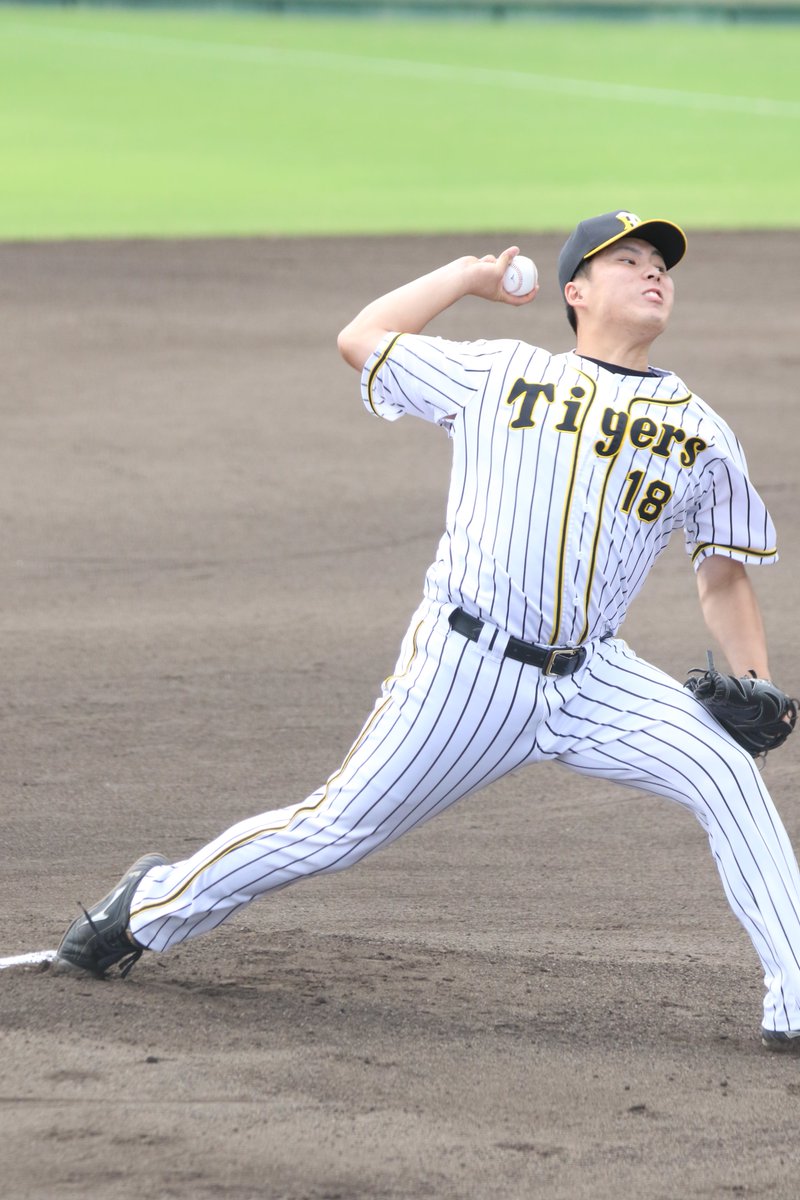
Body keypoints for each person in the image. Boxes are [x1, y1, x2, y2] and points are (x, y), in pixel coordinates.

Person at [56, 210, 800, 1052]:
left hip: (598, 677)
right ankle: (148, 906)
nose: (653, 271)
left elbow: (722, 572)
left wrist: (757, 680)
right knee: (335, 830)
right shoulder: (501, 373)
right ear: (576, 292)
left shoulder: (701, 430)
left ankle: (797, 1001)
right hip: (468, 667)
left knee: (728, 775)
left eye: (660, 262)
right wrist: (467, 278)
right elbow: (361, 339)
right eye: (626, 259)